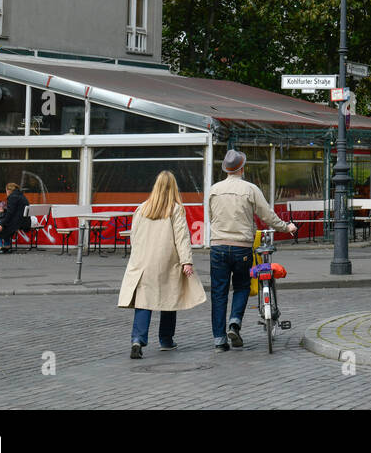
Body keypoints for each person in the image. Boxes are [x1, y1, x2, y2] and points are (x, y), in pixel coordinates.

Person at [207, 150, 297, 351]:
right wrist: (286, 227)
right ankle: (235, 322)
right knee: (242, 286)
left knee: (219, 292)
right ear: (242, 168)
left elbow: (211, 216)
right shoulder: (250, 189)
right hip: (242, 247)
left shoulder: (214, 189)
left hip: (218, 246)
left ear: (226, 170)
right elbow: (267, 215)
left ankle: (219, 340)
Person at [118, 170, 206, 358]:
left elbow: (135, 235)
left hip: (143, 262)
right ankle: (166, 340)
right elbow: (181, 237)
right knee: (169, 300)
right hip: (166, 262)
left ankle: (137, 340)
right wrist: (186, 261)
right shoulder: (175, 209)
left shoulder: (142, 208)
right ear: (174, 188)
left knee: (144, 302)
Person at [0, 182, 29, 253]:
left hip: (17, 222)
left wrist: (1, 224)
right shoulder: (21, 196)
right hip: (23, 221)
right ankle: (7, 246)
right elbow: (15, 210)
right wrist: (4, 210)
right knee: (5, 224)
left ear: (8, 190)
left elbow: (10, 214)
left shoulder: (12, 197)